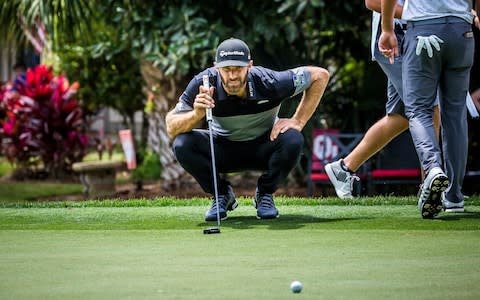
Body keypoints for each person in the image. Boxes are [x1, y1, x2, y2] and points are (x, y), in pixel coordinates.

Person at [166, 38, 329, 220]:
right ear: (216, 67)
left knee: (293, 138)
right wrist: (196, 114)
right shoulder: (202, 83)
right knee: (182, 144)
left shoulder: (269, 81)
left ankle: (265, 194)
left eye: (238, 69)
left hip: (263, 148)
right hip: (223, 149)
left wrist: (298, 121)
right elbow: (171, 127)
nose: (233, 76)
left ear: (250, 66)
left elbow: (320, 75)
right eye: (226, 70)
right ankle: (221, 195)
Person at [325, 0, 440, 199]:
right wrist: (420, 14)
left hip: (414, 38)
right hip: (393, 40)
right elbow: (371, 2)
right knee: (429, 110)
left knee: (402, 116)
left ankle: (343, 168)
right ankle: (431, 189)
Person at [379, 0, 479, 218]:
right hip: (461, 32)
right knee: (455, 114)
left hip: (423, 31)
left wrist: (387, 29)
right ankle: (454, 196)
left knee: (418, 109)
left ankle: (433, 168)